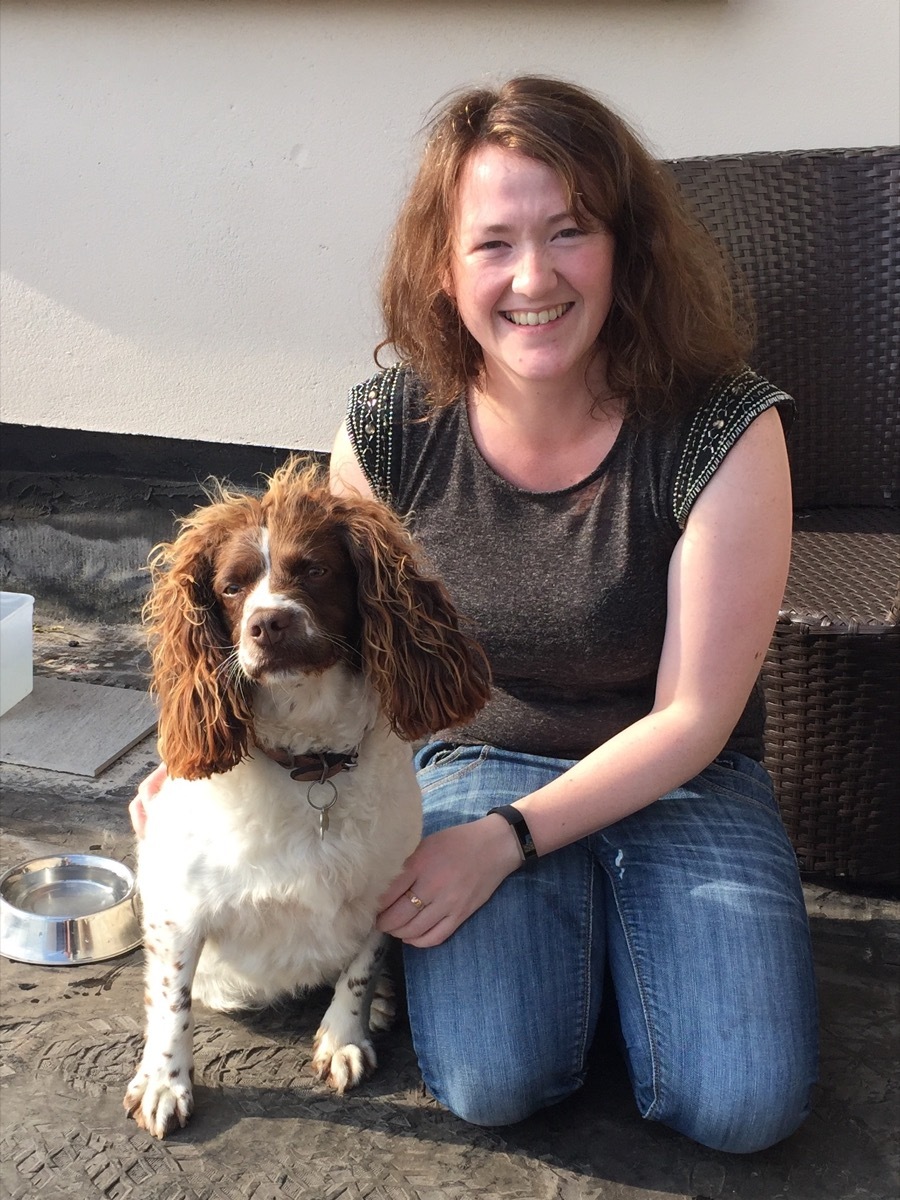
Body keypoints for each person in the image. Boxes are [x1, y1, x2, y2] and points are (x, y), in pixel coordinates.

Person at [133, 75, 818, 1152]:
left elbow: (693, 718)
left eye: (570, 232)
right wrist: (192, 764)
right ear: (445, 269)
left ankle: (622, 954)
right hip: (483, 758)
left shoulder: (725, 425)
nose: (533, 277)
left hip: (681, 780)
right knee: (494, 1081)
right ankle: (593, 963)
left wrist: (508, 845)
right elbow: (317, 633)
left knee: (742, 1105)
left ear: (626, 248)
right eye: (494, 242)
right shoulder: (392, 422)